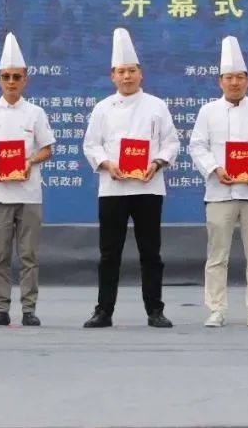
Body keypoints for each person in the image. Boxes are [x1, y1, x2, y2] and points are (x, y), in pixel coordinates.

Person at [81, 28, 180, 328]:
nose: (127, 77)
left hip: (149, 188)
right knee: (109, 253)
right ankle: (103, 311)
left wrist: (157, 162)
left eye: (132, 71)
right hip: (113, 188)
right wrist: (106, 163)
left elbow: (171, 142)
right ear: (113, 76)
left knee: (151, 253)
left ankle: (155, 310)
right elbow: (91, 144)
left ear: (141, 73)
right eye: (121, 72)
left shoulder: (157, 105)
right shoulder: (102, 108)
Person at [188, 36, 248, 328]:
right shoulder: (208, 112)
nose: (234, 82)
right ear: (220, 81)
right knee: (217, 255)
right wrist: (214, 168)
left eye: (239, 77)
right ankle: (216, 309)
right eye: (229, 77)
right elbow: (197, 146)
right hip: (219, 192)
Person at [0, 33, 55, 327]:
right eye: (6, 77)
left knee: (29, 256)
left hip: (29, 194)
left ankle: (29, 309)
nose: (12, 82)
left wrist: (30, 161)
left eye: (17, 77)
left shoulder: (36, 113)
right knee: (1, 255)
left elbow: (47, 149)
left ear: (25, 80)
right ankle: (1, 308)